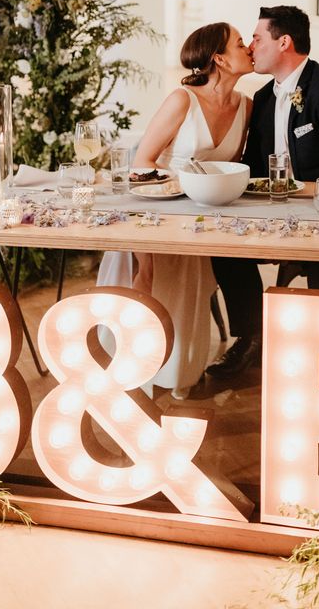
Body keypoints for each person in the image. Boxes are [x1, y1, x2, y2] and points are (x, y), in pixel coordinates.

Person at [208, 4, 319, 380]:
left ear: (284, 42)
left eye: (257, 39)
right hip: (281, 210)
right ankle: (253, 336)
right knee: (222, 239)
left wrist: (291, 192)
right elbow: (256, 169)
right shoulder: (263, 98)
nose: (251, 47)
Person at [96, 22, 254, 398]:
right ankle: (135, 366)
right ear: (219, 58)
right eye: (240, 43)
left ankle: (177, 368)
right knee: (151, 281)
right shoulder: (182, 100)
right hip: (155, 212)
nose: (248, 48)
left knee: (192, 285)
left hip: (200, 220)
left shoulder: (246, 106)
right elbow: (142, 162)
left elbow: (229, 168)